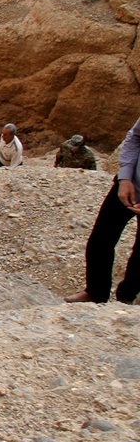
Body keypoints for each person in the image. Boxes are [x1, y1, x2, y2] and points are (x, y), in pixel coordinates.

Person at [65, 117, 140, 304]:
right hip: (130, 184)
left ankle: (126, 298)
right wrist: (124, 177)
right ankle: (96, 293)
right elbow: (135, 137)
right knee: (100, 240)